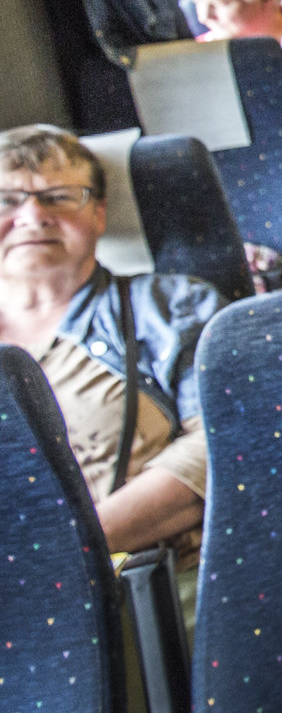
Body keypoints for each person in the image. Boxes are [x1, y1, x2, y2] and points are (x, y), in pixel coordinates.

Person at [0, 125, 217, 589]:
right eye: (7, 200)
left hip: (146, 589)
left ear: (99, 214)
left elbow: (218, 447)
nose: (33, 216)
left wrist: (55, 560)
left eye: (60, 196)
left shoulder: (168, 308)